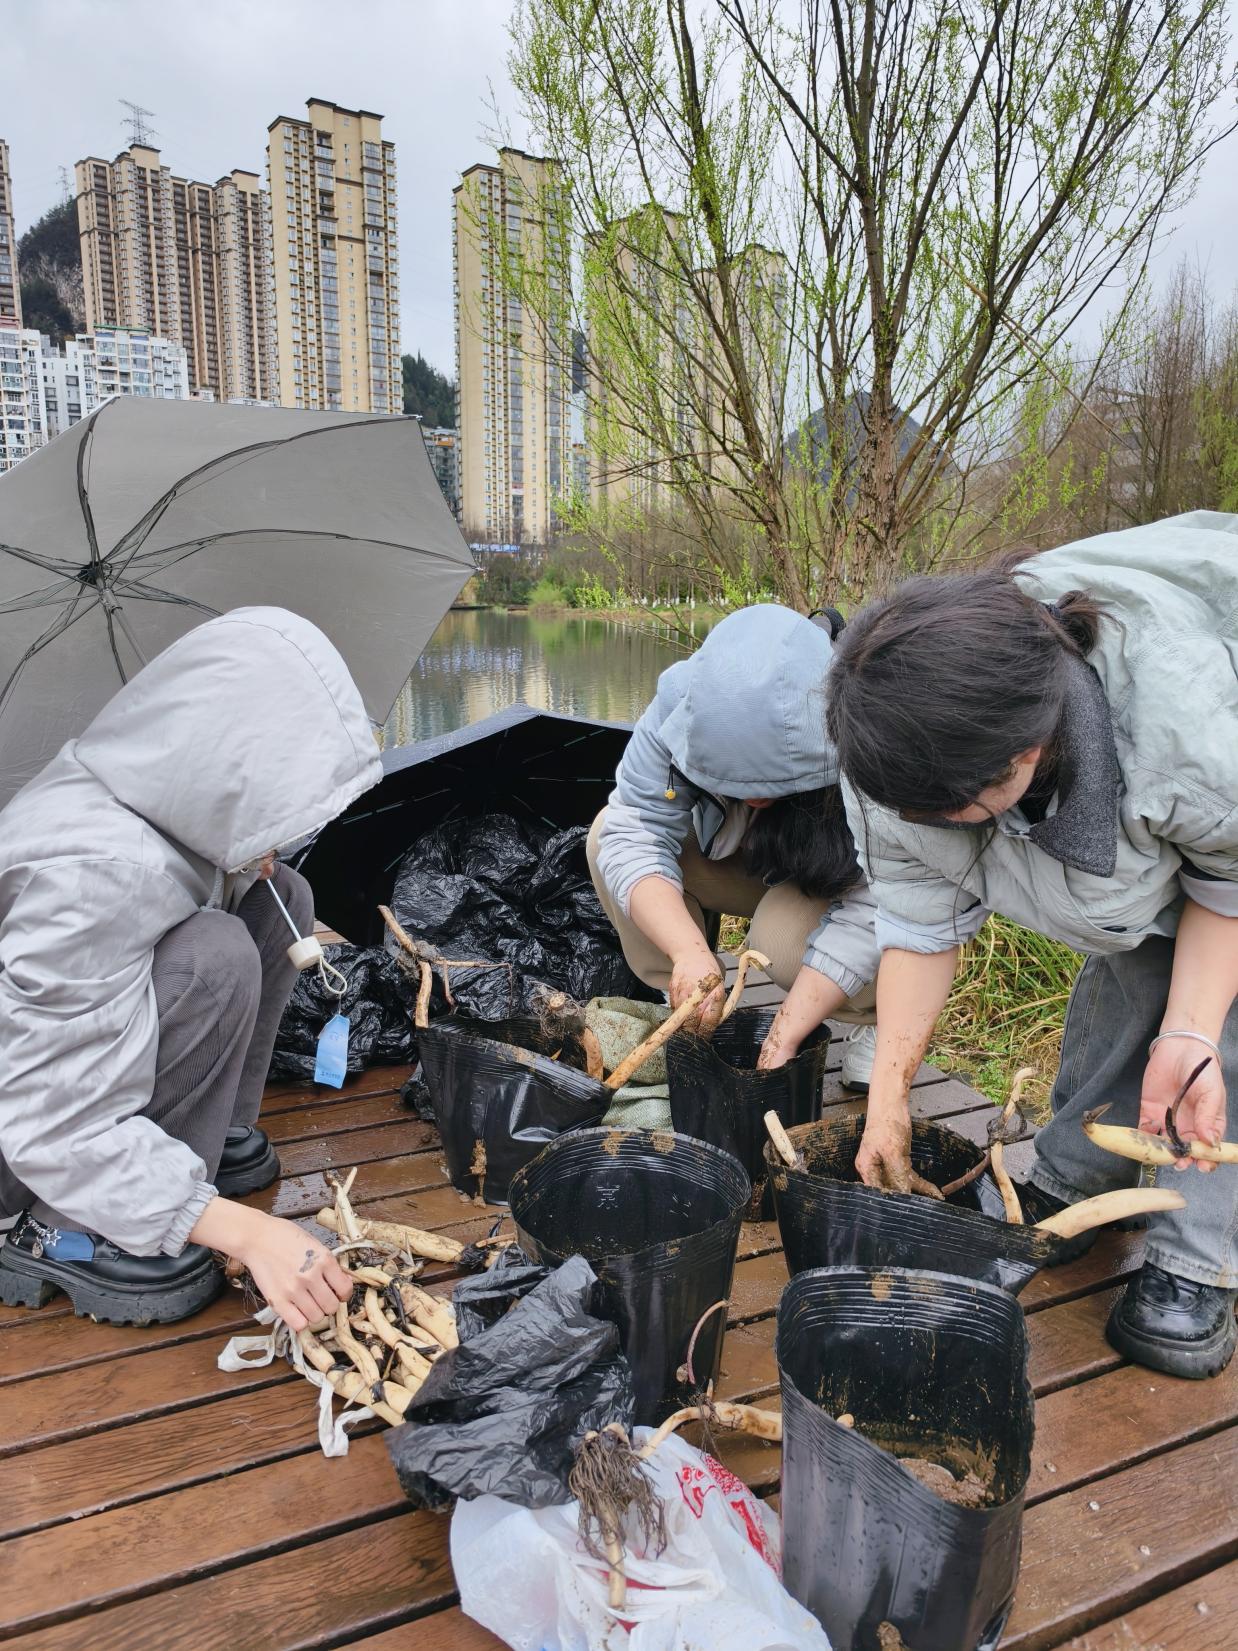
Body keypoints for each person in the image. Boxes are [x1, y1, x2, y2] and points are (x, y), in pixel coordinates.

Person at [826, 513, 1238, 1379]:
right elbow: (917, 921)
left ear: (1028, 750)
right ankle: (1074, 1171)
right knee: (1134, 961)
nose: (926, 825)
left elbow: (1228, 882)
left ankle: (1199, 1251)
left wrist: (1193, 1028)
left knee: (1213, 1037)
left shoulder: (1181, 728)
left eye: (949, 811)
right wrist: (889, 1094)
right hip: (1158, 832)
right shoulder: (889, 734)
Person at [0, 606, 382, 1331]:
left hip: (64, 1079)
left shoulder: (151, 787)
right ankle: (61, 1229)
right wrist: (249, 1233)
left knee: (284, 897)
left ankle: (193, 1145)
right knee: (216, 955)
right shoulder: (88, 870)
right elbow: (51, 1123)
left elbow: (171, 892)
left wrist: (242, 853)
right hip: (31, 1142)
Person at [587, 603, 880, 1081]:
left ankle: (875, 1019)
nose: (756, 797)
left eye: (773, 783)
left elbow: (886, 900)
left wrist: (787, 1030)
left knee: (778, 940)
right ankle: (685, 1000)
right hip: (745, 863)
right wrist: (687, 953)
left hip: (840, 885)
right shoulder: (680, 703)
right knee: (605, 837)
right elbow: (634, 833)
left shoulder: (864, 722)